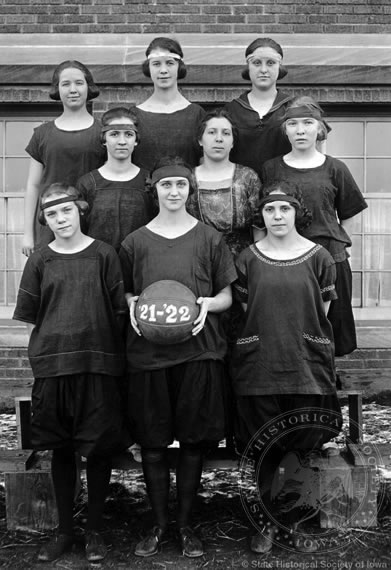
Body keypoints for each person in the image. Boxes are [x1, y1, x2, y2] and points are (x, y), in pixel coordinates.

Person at [119, 157, 236, 558]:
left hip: (198, 354)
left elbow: (227, 294)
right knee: (152, 445)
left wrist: (209, 304)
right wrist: (132, 301)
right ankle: (158, 524)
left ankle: (186, 525)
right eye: (166, 185)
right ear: (155, 191)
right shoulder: (135, 242)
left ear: (190, 191)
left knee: (191, 443)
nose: (174, 191)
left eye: (181, 185)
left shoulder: (209, 239)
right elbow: (123, 291)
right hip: (149, 357)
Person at [13, 183, 129, 563]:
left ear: (80, 210)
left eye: (66, 211)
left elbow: (117, 311)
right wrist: (44, 357)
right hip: (54, 366)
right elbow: (31, 317)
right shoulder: (40, 260)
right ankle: (65, 531)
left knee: (96, 452)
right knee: (60, 451)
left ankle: (94, 530)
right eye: (51, 215)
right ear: (44, 220)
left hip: (97, 366)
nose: (60, 219)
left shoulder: (103, 254)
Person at [231, 181, 342, 554]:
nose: (277, 216)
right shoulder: (247, 258)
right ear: (261, 215)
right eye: (269, 210)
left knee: (300, 445)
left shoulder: (319, 257)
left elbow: (322, 311)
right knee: (265, 446)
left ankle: (293, 522)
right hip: (260, 364)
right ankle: (264, 524)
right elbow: (247, 309)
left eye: (285, 209)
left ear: (297, 213)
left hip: (305, 365)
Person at [262, 96, 368, 356]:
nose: (300, 130)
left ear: (319, 128)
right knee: (290, 323)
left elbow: (349, 213)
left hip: (330, 258)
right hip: (287, 261)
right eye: (293, 123)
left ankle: (329, 378)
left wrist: (343, 247)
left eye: (308, 123)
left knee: (330, 326)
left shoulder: (335, 168)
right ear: (285, 130)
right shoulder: (271, 168)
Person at [22, 60, 106, 256]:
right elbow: (33, 186)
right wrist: (28, 233)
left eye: (79, 83)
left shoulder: (103, 132)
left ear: (88, 87)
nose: (73, 89)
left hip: (94, 223)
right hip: (51, 224)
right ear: (57, 89)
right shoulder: (42, 134)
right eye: (65, 84)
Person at [77, 106, 154, 252]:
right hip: (99, 265)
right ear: (103, 139)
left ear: (136, 140)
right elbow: (80, 232)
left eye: (129, 134)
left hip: (139, 264)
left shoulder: (149, 181)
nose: (122, 141)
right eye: (114, 134)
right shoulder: (87, 183)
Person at [188, 108, 261, 258]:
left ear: (233, 142)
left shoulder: (248, 177)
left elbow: (259, 227)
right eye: (212, 132)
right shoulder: (187, 179)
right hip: (199, 261)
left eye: (226, 133)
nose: (219, 139)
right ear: (200, 140)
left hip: (243, 263)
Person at [131, 37, 205, 171]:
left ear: (179, 67)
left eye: (170, 63)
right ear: (148, 67)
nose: (163, 70)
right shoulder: (134, 116)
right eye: (156, 64)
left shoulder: (196, 115)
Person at [224, 37, 292, 178]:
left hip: (284, 190)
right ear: (248, 67)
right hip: (241, 190)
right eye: (256, 63)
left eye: (270, 63)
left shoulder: (293, 107)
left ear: (279, 66)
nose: (263, 70)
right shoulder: (231, 110)